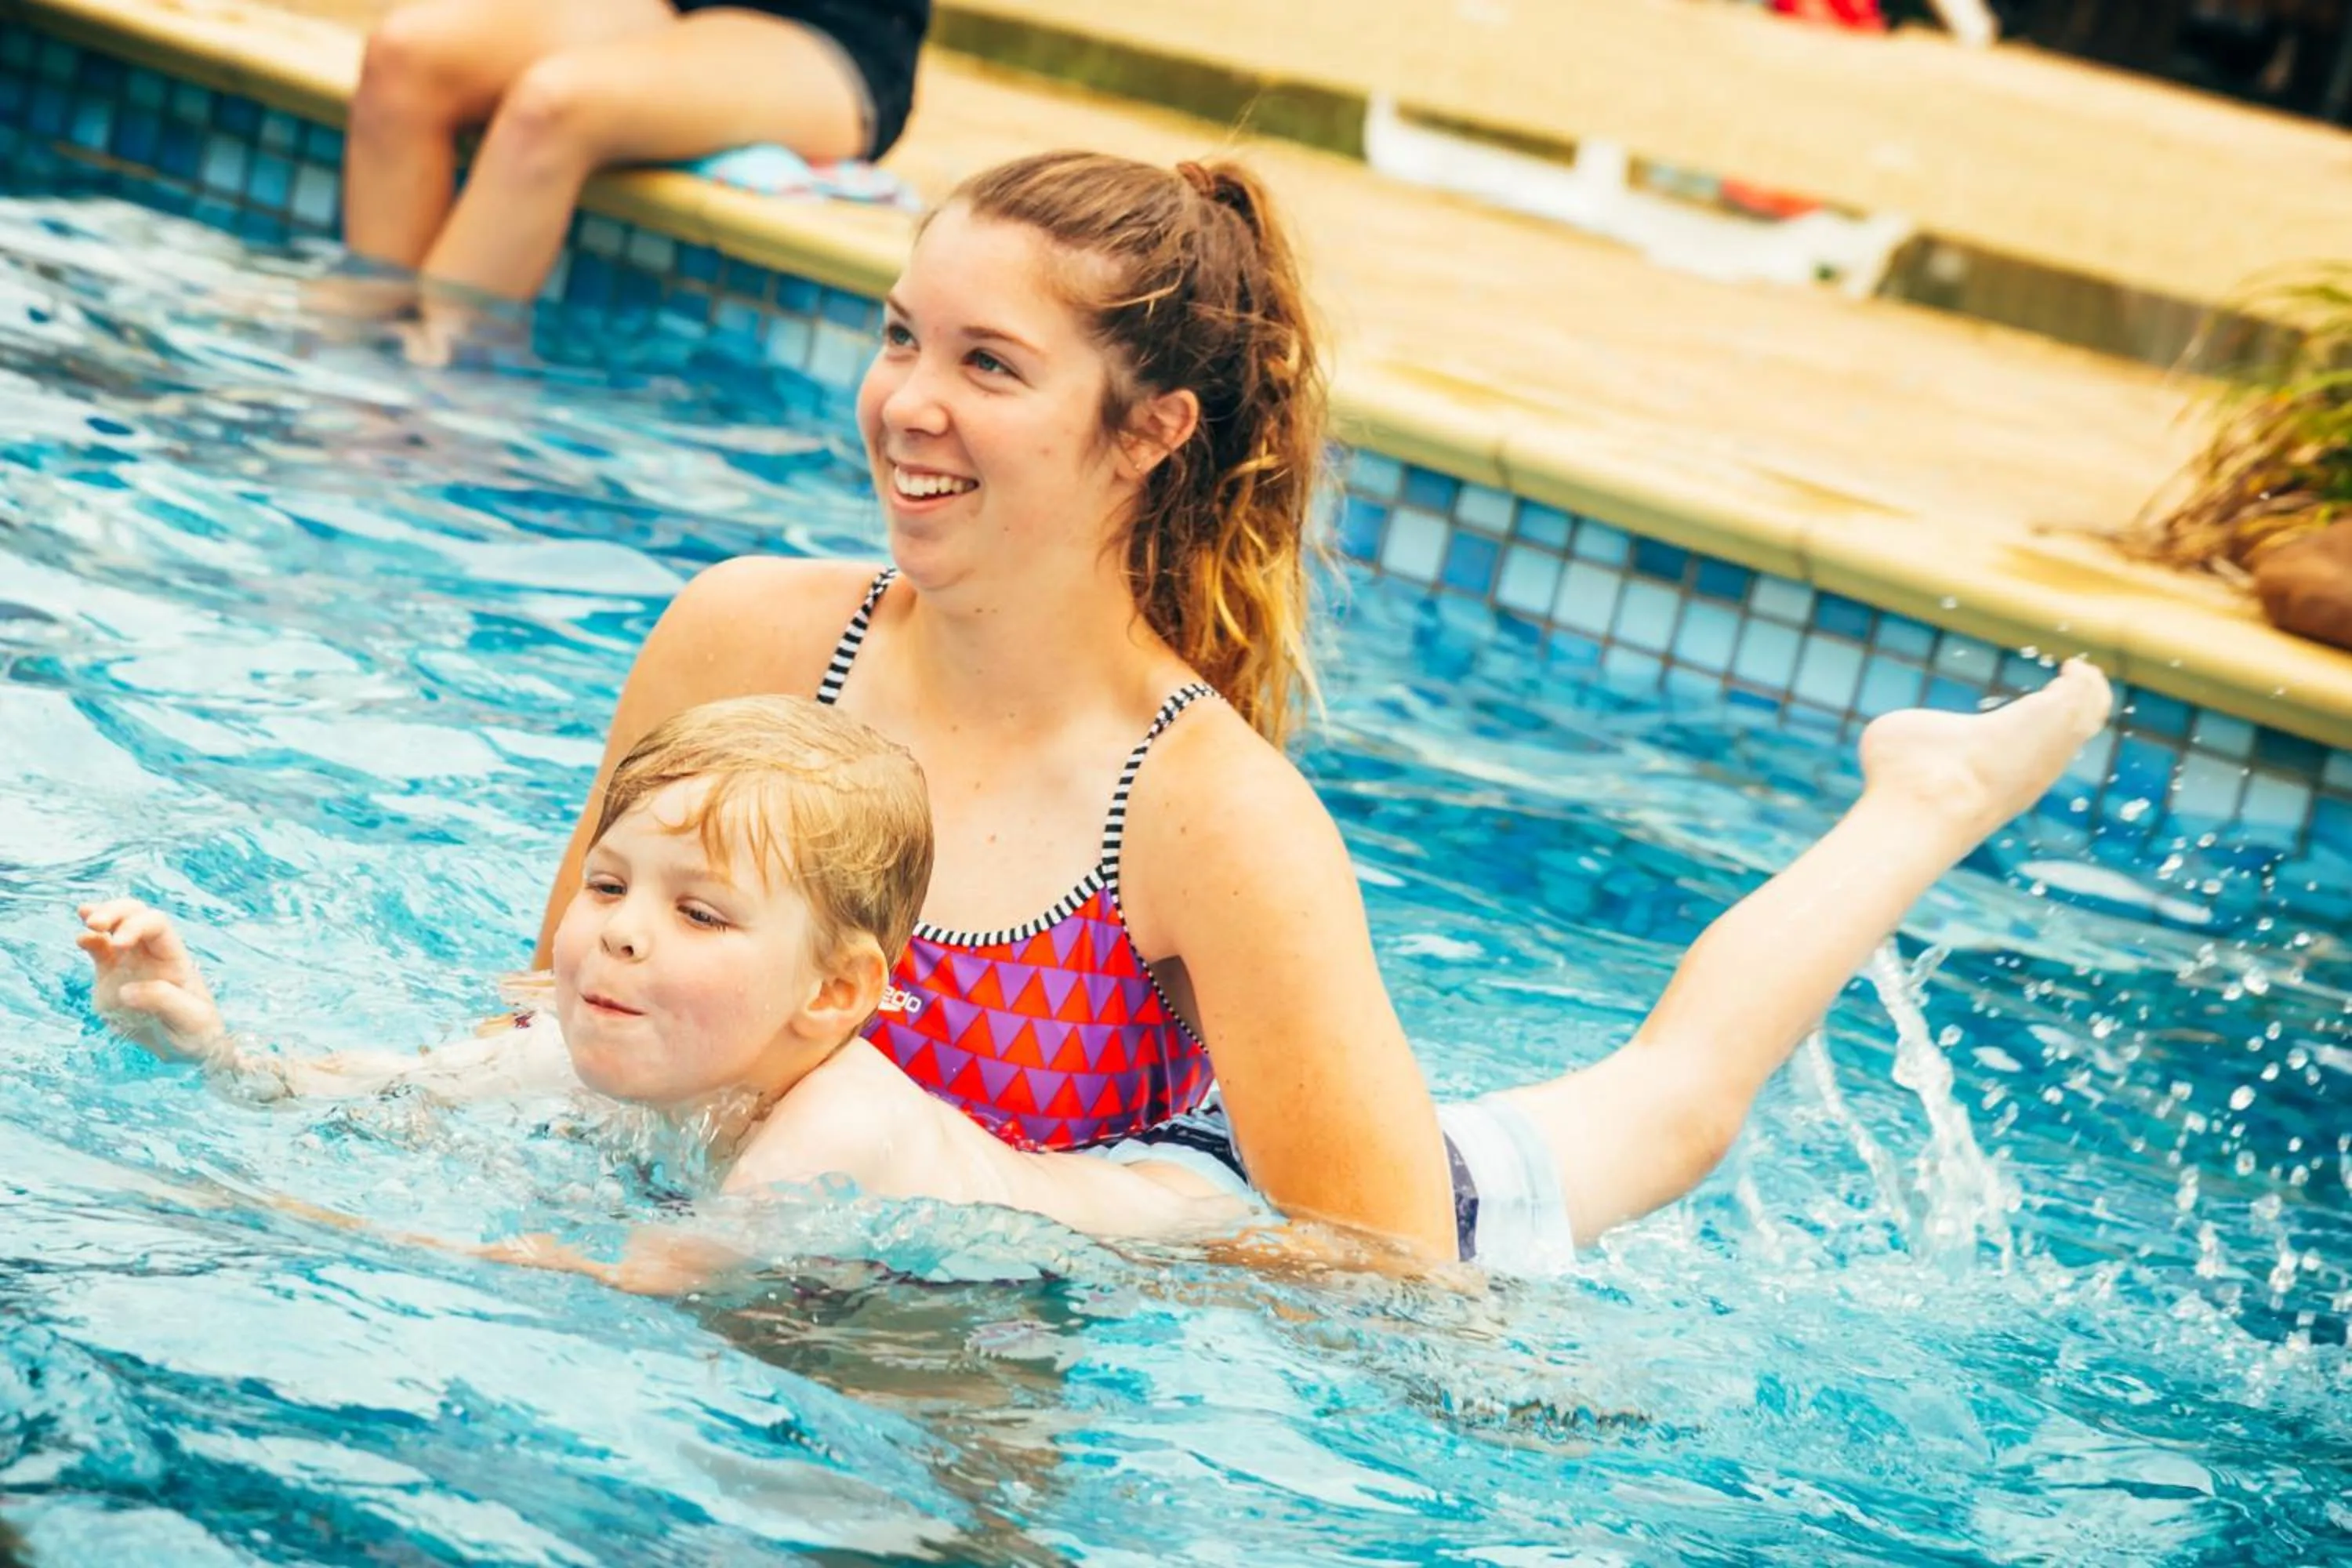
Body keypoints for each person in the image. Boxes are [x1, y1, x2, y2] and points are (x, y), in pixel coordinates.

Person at [530, 147, 2115, 1268]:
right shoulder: (744, 637)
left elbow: (1393, 1269)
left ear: (1150, 429)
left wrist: (1028, 1238)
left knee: (1674, 1101)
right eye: (900, 336)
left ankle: (1928, 799)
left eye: (990, 365)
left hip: (1153, 1215)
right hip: (849, 1221)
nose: (906, 404)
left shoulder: (1201, 809)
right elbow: (556, 1001)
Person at [84, 667, 2113, 1278]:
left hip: (1298, 1219)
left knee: (1676, 1099)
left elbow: (607, 1287)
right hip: (1162, 1149)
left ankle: (1919, 807)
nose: (617, 933)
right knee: (1656, 1087)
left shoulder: (824, 1152)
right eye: (611, 886)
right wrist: (204, 1040)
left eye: (699, 917)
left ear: (829, 1004)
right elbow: (373, 1091)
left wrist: (245, 1220)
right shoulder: (609, 1037)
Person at [336, 0, 927, 310]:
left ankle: (428, 400)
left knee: (556, 107)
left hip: (831, 31)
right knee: (406, 59)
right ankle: (351, 359)